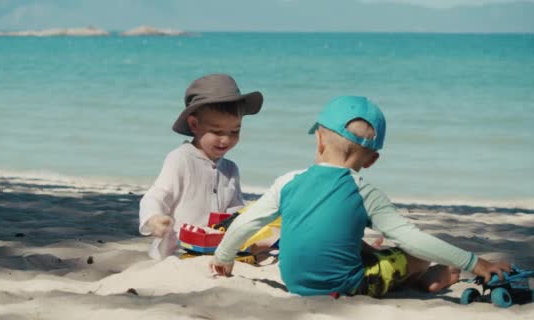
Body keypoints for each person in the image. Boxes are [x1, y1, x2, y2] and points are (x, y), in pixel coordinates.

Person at [209, 95, 511, 297]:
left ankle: (403, 270)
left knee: (358, 244)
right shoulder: (365, 192)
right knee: (414, 255)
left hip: (295, 282)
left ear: (318, 140)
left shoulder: (287, 181)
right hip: (346, 287)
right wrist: (477, 263)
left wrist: (224, 258)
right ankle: (424, 277)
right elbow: (414, 240)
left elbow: (246, 222)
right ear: (371, 160)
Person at [139, 74, 263, 260]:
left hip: (212, 252)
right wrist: (154, 219)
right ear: (194, 124)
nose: (226, 139)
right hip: (175, 253)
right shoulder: (181, 159)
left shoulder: (231, 169)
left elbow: (233, 210)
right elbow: (157, 195)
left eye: (235, 131)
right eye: (217, 131)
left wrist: (249, 214)